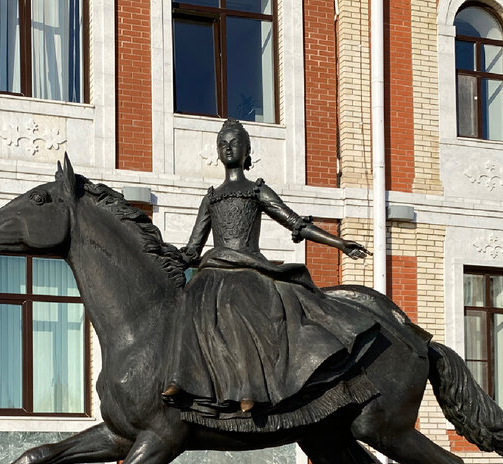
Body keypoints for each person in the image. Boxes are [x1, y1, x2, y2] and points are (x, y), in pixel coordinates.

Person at [161, 119, 381, 427]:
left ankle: (249, 389)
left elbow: (295, 223)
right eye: (222, 142)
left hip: (251, 268)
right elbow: (192, 250)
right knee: (189, 298)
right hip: (215, 268)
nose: (227, 146)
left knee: (236, 302)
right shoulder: (211, 198)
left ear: (247, 150)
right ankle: (181, 379)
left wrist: (339, 242)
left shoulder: (256, 192)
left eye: (235, 141)